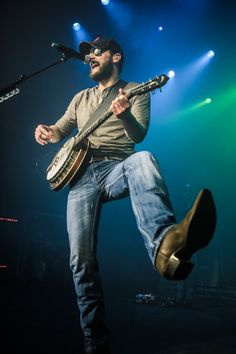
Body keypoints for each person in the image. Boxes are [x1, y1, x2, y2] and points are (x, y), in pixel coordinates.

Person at [34, 37, 217, 354]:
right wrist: (46, 131)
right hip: (80, 178)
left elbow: (139, 134)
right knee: (81, 262)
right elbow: (59, 130)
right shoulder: (80, 98)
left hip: (115, 168)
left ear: (114, 56)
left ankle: (164, 247)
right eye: (87, 53)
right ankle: (96, 341)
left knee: (144, 159)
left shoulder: (135, 91)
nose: (90, 56)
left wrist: (124, 114)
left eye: (96, 51)